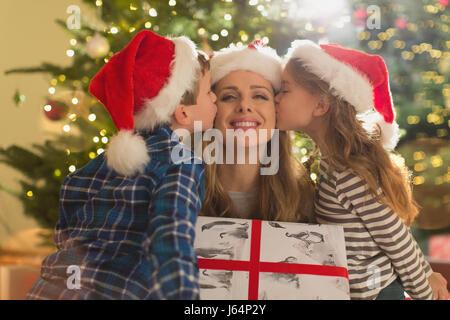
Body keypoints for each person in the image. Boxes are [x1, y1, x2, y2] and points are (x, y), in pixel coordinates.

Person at [27, 30, 217, 300]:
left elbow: (67, 240)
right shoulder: (181, 162)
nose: (215, 99)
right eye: (210, 92)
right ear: (183, 113)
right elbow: (170, 241)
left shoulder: (86, 173)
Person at [275, 39, 449, 300]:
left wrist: (425, 292)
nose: (275, 98)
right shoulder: (332, 161)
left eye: (284, 90)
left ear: (321, 105)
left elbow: (394, 236)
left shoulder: (347, 171)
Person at [199, 40, 314, 223]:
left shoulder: (307, 197)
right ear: (211, 110)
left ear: (276, 111)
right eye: (229, 97)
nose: (244, 106)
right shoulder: (180, 188)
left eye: (259, 96)